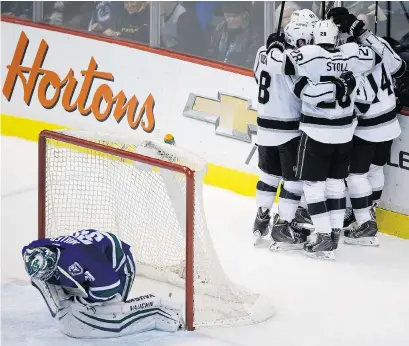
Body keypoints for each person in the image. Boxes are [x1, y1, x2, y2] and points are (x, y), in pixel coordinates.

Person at [266, 18, 383, 259]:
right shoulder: (351, 56)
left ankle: (322, 237)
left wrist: (275, 47)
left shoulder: (309, 54)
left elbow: (280, 66)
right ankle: (334, 234)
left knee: (313, 187)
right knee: (336, 184)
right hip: (345, 134)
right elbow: (374, 62)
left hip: (316, 133)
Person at [253, 12, 353, 251]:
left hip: (264, 123)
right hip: (289, 128)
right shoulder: (295, 61)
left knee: (268, 176)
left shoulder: (261, 51)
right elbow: (303, 92)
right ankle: (283, 226)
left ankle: (261, 218)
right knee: (295, 183)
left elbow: (258, 76)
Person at [327, 8, 407, 246]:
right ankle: (366, 212)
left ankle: (365, 224)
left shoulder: (344, 54)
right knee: (374, 170)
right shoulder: (377, 42)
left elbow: (361, 100)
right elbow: (400, 68)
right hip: (389, 122)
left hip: (368, 127)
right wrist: (363, 33)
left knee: (355, 176)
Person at [22, 229, 183, 338]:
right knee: (40, 277)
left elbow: (109, 286)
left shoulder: (77, 260)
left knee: (112, 308)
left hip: (119, 265)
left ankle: (160, 311)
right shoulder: (34, 250)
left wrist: (83, 302)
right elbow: (28, 253)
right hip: (92, 256)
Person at [208, 2, 262, 68]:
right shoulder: (219, 30)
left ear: (244, 14)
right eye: (228, 16)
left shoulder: (253, 35)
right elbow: (211, 53)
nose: (231, 19)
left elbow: (249, 63)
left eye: (235, 16)